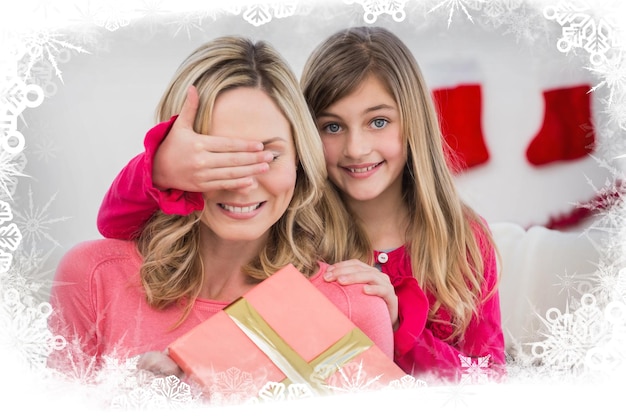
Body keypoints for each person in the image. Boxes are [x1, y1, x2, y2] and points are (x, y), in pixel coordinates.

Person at [95, 27, 506, 383]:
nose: (356, 148)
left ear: (413, 122)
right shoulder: (293, 227)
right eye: (332, 126)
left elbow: (489, 383)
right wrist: (161, 166)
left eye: (378, 122)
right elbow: (117, 223)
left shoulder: (463, 242)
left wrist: (401, 328)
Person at [47, 36, 394, 394]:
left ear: (299, 161)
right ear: (174, 160)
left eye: (269, 156)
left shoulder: (353, 307)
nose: (243, 185)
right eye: (217, 158)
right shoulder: (92, 279)